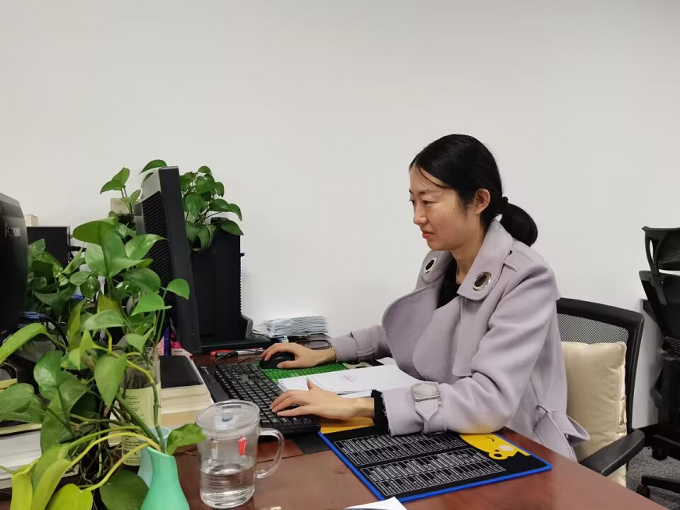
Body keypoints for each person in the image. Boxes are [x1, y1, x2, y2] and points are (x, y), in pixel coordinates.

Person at [263, 134, 588, 459]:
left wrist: (358, 406)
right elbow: (409, 334)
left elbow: (489, 400)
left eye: (429, 201)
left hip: (518, 446)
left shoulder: (527, 277)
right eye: (413, 202)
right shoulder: (440, 262)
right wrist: (327, 351)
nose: (417, 216)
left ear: (478, 201)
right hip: (449, 431)